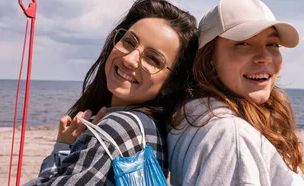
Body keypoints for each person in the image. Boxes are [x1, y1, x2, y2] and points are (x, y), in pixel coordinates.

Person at [24, 0, 198, 185]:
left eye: (153, 59)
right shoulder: (151, 128)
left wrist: (62, 148)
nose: (129, 60)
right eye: (129, 42)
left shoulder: (120, 127)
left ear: (172, 84)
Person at [167, 0, 304, 185]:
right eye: (243, 43)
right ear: (209, 57)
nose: (264, 57)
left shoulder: (191, 114)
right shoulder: (231, 137)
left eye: (273, 44)